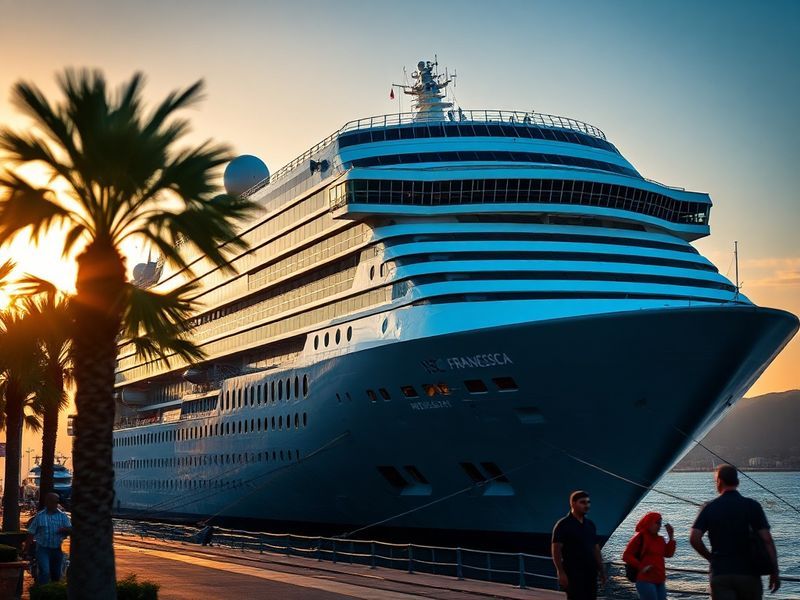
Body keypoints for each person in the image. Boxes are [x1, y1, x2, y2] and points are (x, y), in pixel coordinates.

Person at [690, 464, 780, 599]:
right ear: (737, 481)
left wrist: (711, 558)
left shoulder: (709, 507)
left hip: (721, 573)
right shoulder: (752, 506)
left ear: (719, 481)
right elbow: (767, 540)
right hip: (748, 573)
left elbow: (694, 538)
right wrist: (774, 571)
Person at [552, 490, 607, 600]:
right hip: (573, 572)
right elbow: (556, 549)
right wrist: (560, 572)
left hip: (590, 572)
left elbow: (596, 549)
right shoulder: (563, 524)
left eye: (588, 502)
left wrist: (601, 570)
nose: (587, 505)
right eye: (582, 502)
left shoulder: (590, 525)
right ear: (573, 503)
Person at [623, 512, 676, 600]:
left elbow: (668, 554)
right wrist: (641, 566)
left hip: (659, 579)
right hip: (645, 579)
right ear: (649, 523)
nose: (659, 526)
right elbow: (626, 555)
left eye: (660, 523)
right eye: (657, 523)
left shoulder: (660, 539)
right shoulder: (640, 537)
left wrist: (671, 537)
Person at [26, 492, 71, 584]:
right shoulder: (40, 516)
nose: (55, 504)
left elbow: (70, 529)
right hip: (43, 549)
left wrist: (65, 530)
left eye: (56, 502)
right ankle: (42, 591)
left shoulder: (63, 516)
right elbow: (31, 532)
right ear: (47, 502)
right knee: (45, 572)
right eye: (53, 501)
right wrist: (26, 549)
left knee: (56, 575)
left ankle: (52, 592)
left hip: (57, 549)